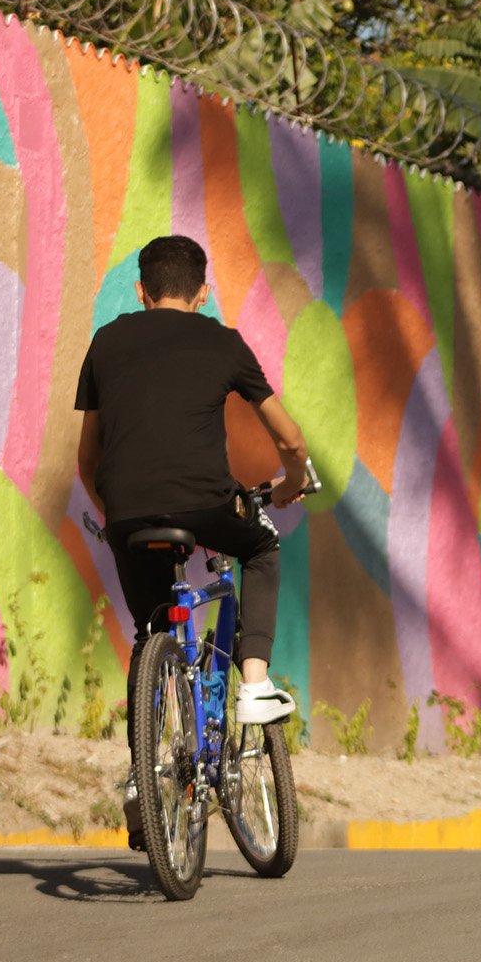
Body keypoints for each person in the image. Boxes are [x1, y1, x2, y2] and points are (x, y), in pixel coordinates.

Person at [75, 234, 312, 848]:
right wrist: (289, 483)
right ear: (202, 293)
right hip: (207, 503)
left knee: (152, 632)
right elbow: (288, 438)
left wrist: (117, 515)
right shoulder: (222, 341)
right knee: (260, 548)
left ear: (140, 291)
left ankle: (140, 781)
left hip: (128, 516)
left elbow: (86, 460)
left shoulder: (106, 342)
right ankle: (255, 683)